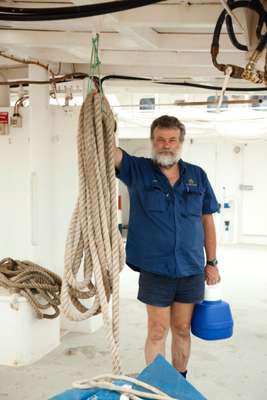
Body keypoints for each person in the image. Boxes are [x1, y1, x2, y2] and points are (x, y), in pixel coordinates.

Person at [114, 115, 220, 379]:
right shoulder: (137, 170)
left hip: (190, 269)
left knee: (182, 328)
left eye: (172, 140)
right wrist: (101, 116)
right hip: (155, 269)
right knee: (158, 330)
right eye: (160, 139)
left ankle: (179, 381)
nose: (166, 145)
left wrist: (212, 262)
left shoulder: (197, 175)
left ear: (180, 143)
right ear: (153, 141)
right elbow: (109, 152)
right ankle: (156, 385)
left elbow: (207, 220)